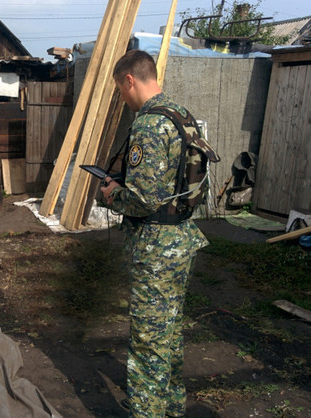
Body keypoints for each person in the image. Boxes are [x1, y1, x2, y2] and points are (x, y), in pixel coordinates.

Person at [100, 49, 210, 418]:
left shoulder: (149, 124)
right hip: (181, 239)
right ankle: (172, 407)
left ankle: (148, 411)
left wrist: (112, 193)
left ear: (130, 80)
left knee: (148, 339)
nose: (123, 98)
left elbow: (144, 198)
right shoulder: (181, 115)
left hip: (156, 249)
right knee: (169, 330)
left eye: (120, 90)